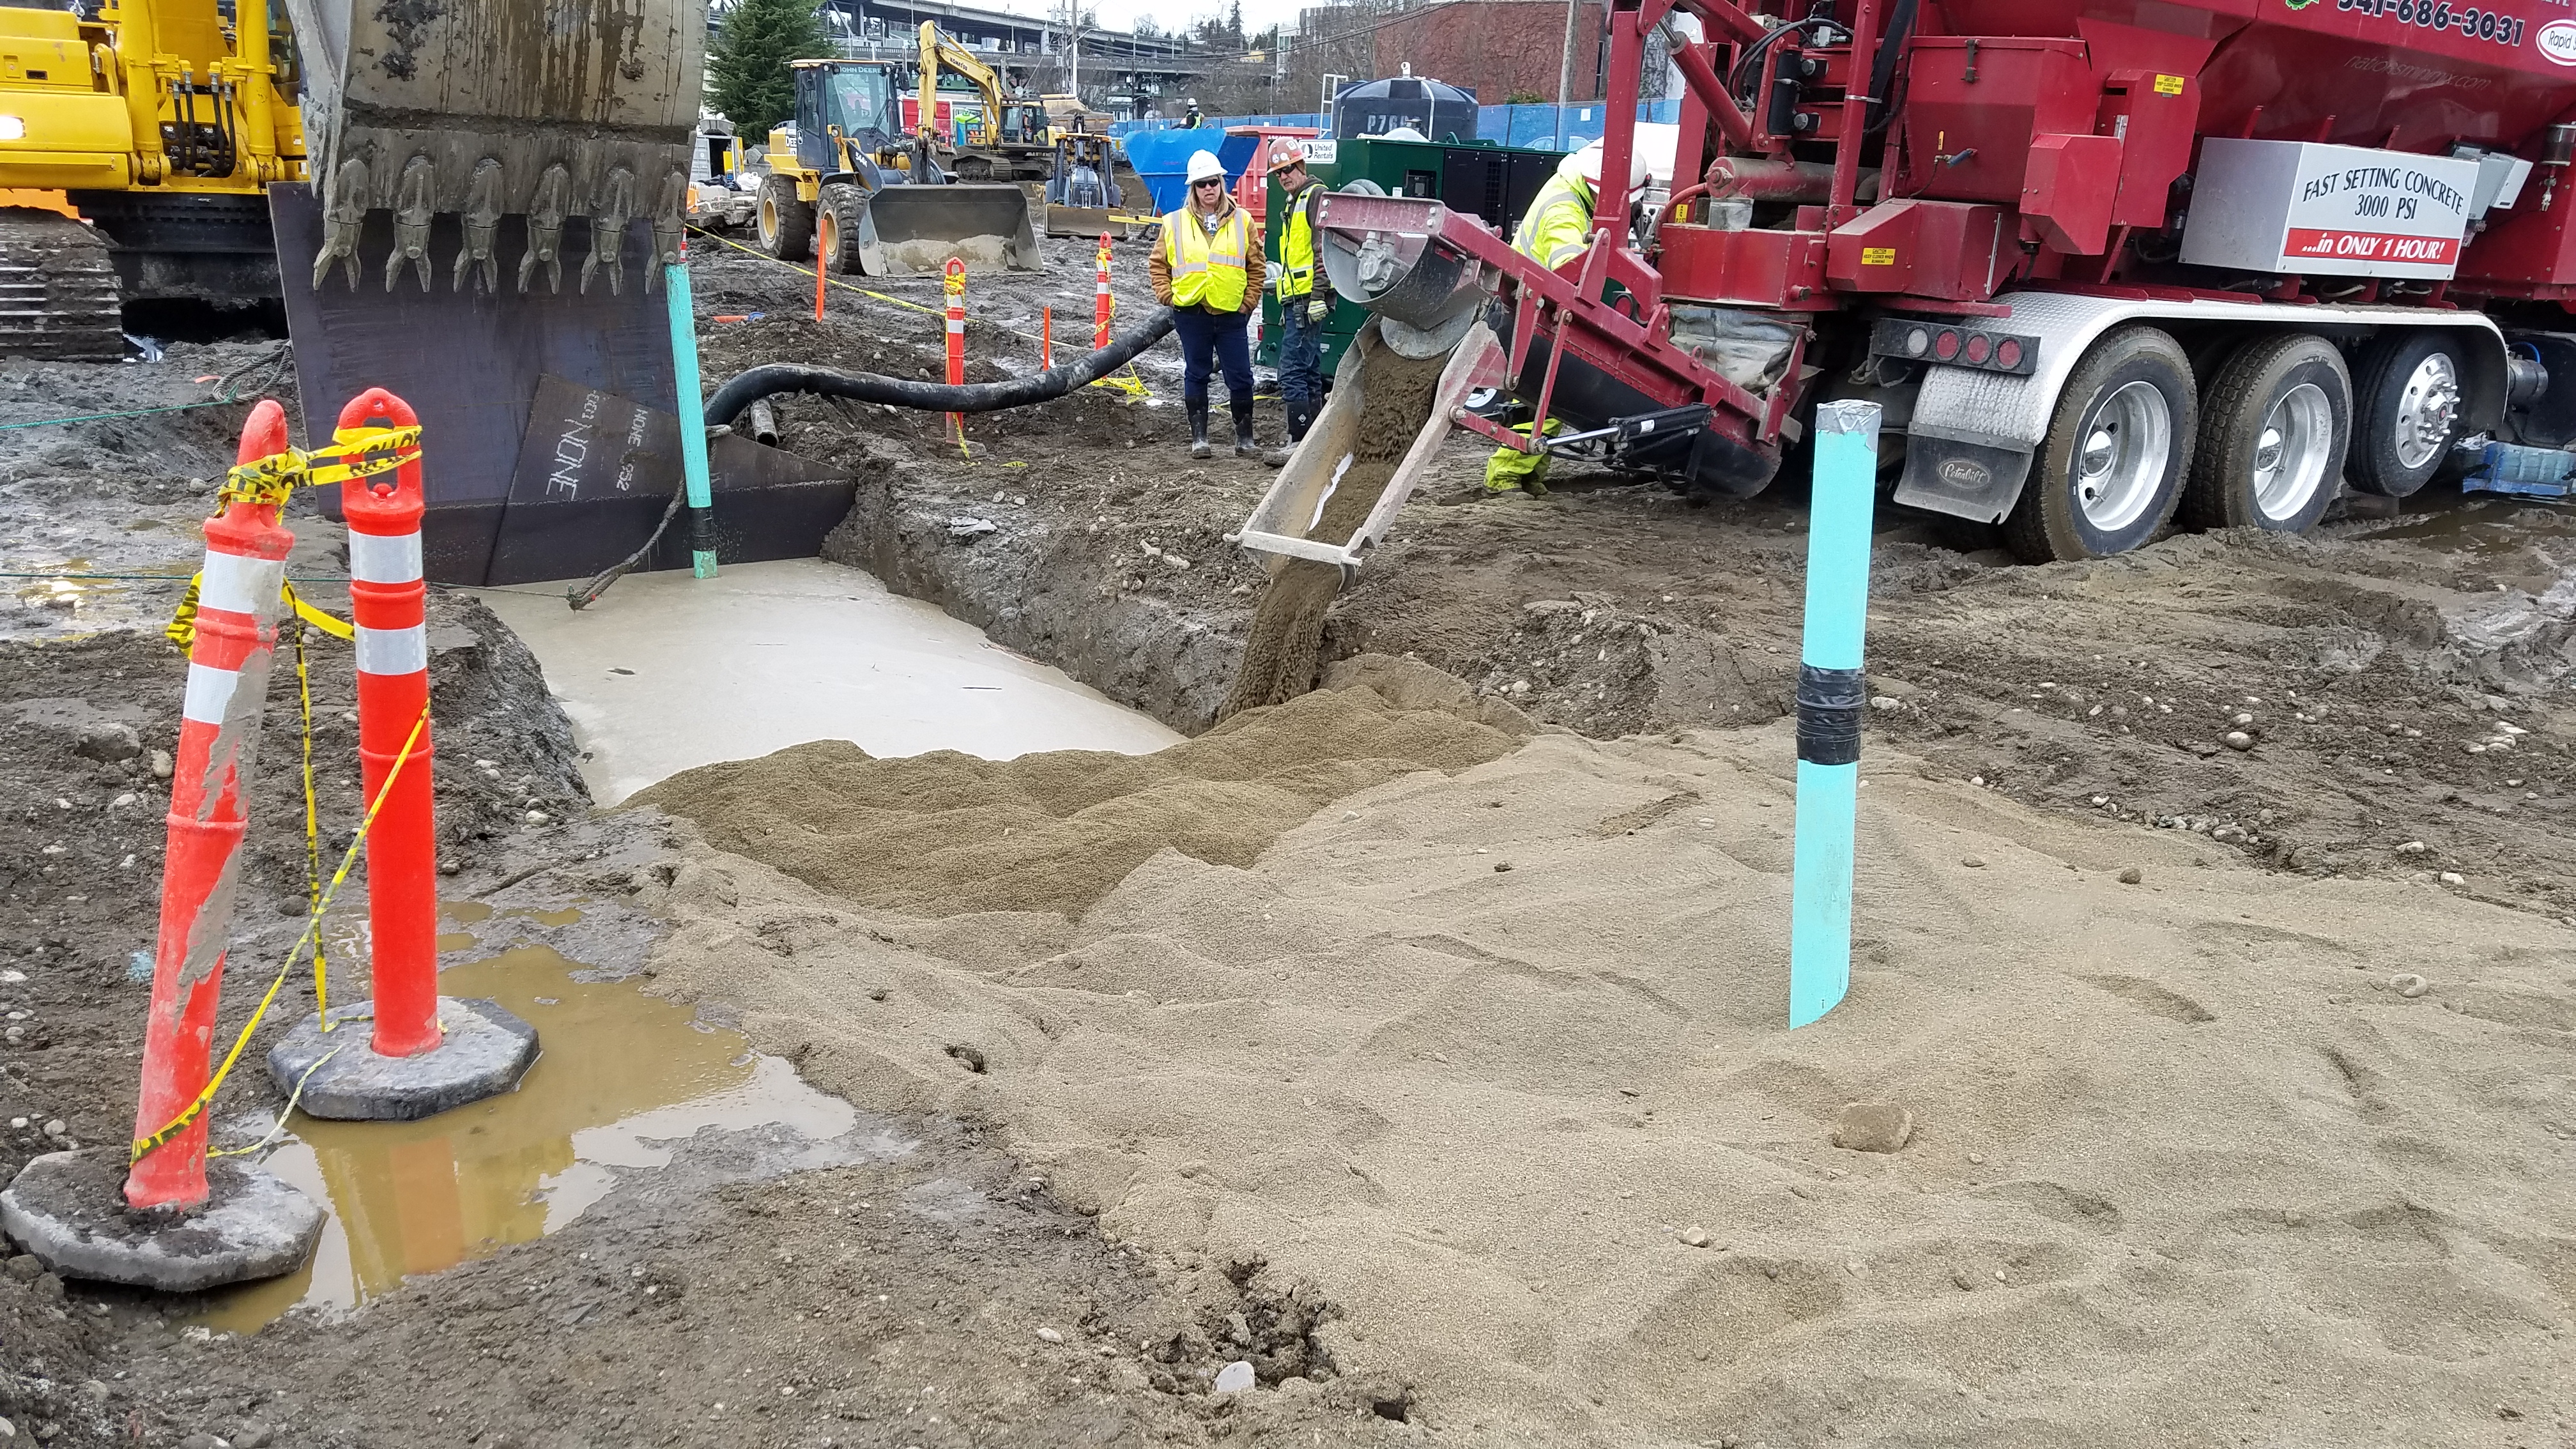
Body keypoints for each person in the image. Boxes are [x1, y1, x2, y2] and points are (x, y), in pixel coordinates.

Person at [1485, 139, 1653, 494]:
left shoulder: (1569, 189)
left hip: (1530, 309)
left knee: (1546, 402)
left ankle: (1527, 476)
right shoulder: (1565, 211)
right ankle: (1505, 479)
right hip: (1532, 312)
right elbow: (1570, 272)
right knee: (1542, 404)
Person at [1149, 148, 1268, 459]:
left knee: (1241, 376)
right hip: (1192, 312)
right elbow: (1158, 264)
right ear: (1194, 188)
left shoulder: (1243, 221)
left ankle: (1245, 439)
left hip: (1231, 313)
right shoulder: (1173, 223)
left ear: (1221, 183)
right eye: (1202, 184)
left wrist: (1249, 302)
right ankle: (1199, 438)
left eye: (1213, 182)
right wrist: (1168, 296)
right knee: (1197, 373)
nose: (1208, 189)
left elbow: (1257, 266)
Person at [1264, 146, 1327, 468]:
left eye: (1288, 169)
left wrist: (1319, 296)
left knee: (1291, 370)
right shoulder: (1295, 202)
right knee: (1309, 368)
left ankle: (1300, 438)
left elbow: (1324, 251)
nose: (1284, 177)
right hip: (1296, 298)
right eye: (1278, 173)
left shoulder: (1315, 197)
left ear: (1301, 165)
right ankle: (1312, 436)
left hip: (1305, 300)